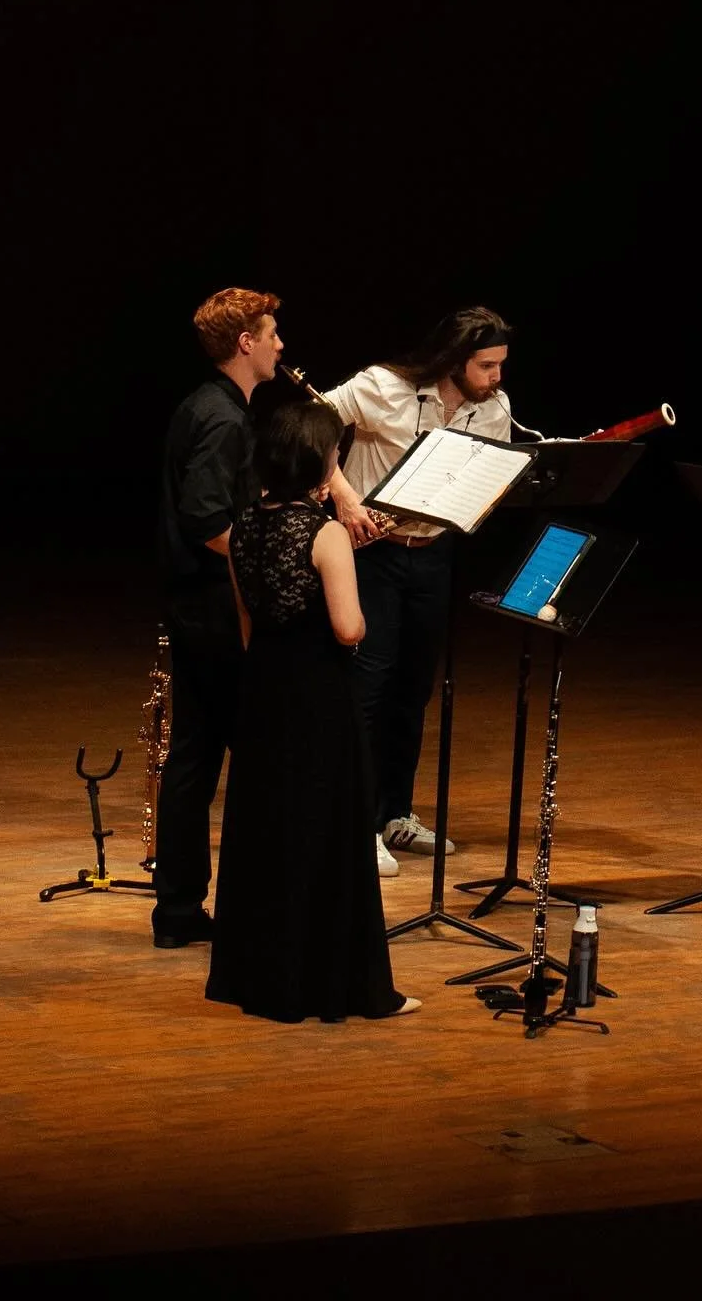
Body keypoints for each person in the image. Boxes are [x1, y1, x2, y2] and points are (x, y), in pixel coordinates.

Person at [206, 402, 418, 1021]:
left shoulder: (243, 525)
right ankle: (341, 987)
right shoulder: (324, 534)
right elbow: (349, 628)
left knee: (270, 831)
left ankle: (264, 979)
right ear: (320, 466)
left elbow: (248, 624)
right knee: (327, 834)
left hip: (263, 691)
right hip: (321, 696)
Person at [322, 307, 513, 877]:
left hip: (432, 555)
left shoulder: (494, 410)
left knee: (412, 688)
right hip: (372, 553)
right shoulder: (384, 387)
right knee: (369, 686)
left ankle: (395, 814)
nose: (497, 378)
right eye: (486, 366)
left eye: (500, 365)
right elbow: (308, 425)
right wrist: (345, 496)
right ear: (454, 360)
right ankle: (353, 823)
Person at [152, 287, 283, 949]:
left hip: (197, 603)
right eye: (272, 332)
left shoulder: (205, 404)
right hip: (216, 608)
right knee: (246, 759)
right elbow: (206, 517)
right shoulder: (225, 418)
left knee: (194, 759)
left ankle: (179, 912)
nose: (281, 344)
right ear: (246, 343)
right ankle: (246, 910)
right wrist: (267, 553)